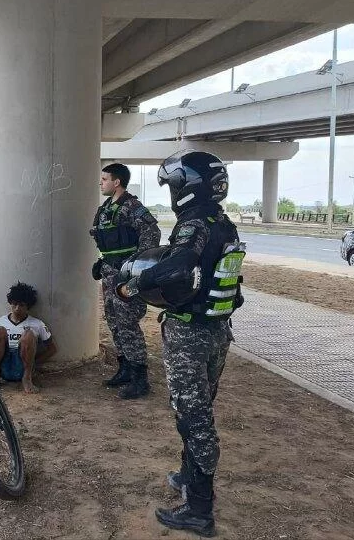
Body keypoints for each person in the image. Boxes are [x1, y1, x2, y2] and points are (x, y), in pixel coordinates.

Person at [116, 151, 244, 537]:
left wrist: (131, 286)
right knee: (198, 408)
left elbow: (177, 267)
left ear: (187, 186)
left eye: (173, 184)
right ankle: (188, 475)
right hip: (218, 330)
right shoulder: (224, 222)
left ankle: (199, 510)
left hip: (191, 333)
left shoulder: (193, 224)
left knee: (194, 417)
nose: (172, 191)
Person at [91, 162, 161, 399]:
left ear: (117, 182)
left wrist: (136, 267)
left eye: (104, 179)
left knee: (128, 323)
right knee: (114, 321)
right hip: (110, 274)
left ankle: (140, 379)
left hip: (127, 278)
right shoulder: (106, 208)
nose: (101, 183)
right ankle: (125, 368)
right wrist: (104, 262)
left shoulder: (132, 207)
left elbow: (151, 235)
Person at [0, 282, 57, 394]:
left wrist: (33, 363)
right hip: (4, 364)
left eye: (21, 305)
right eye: (14, 304)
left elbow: (52, 349)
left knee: (28, 334)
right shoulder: (0, 321)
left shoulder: (37, 324)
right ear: (10, 303)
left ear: (28, 306)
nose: (17, 308)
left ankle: (27, 379)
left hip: (23, 364)